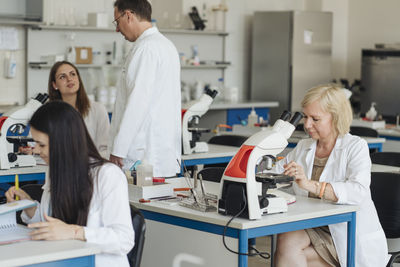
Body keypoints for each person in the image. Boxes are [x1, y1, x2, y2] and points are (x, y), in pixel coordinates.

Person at [5, 101, 134, 267]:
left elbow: (124, 239)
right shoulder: (55, 170)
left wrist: (74, 232)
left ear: (63, 141)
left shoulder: (107, 175)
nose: (36, 150)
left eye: (41, 144)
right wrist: (28, 206)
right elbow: (53, 224)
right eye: (35, 143)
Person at [273, 84, 389, 267]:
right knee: (286, 239)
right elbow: (274, 173)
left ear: (335, 118)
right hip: (315, 227)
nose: (307, 124)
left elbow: (357, 191)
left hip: (347, 233)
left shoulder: (355, 147)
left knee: (291, 256)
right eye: (305, 116)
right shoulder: (305, 147)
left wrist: (310, 185)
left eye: (315, 119)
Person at [109, 0, 181, 177]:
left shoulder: (146, 49)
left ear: (128, 15)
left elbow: (137, 103)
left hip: (145, 157)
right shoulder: (165, 45)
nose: (117, 29)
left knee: (139, 204)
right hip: (160, 155)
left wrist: (119, 149)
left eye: (117, 22)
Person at [48, 61, 110, 157]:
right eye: (62, 77)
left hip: (90, 168)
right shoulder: (48, 113)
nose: (69, 79)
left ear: (78, 79)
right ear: (55, 85)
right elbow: (36, 145)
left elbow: (105, 149)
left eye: (73, 74)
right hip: (58, 168)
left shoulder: (98, 110)